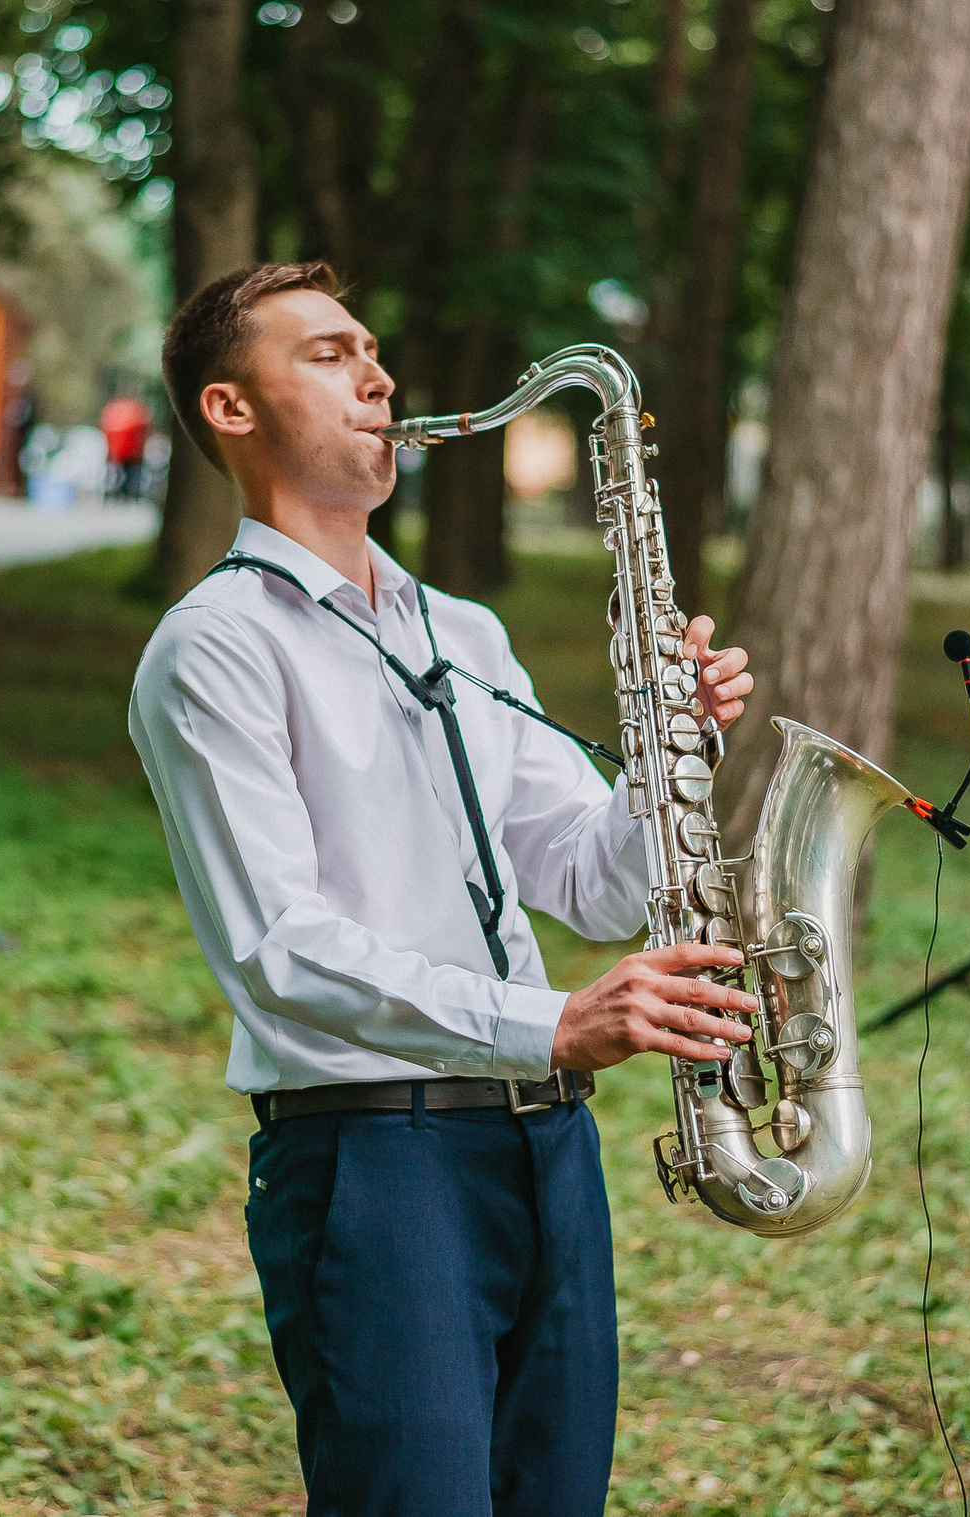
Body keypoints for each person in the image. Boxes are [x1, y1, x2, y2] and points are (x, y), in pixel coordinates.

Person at [127, 262, 759, 1517]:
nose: (377, 374)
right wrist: (554, 1021)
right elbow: (279, 948)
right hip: (373, 1155)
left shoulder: (461, 631)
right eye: (324, 353)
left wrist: (665, 752)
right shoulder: (213, 646)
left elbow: (585, 877)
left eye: (372, 347)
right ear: (229, 408)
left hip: (549, 1141)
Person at [100, 392, 150, 499]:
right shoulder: (136, 411)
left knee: (118, 478)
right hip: (128, 455)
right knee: (126, 478)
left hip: (120, 454)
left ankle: (116, 494)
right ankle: (124, 494)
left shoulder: (114, 410)